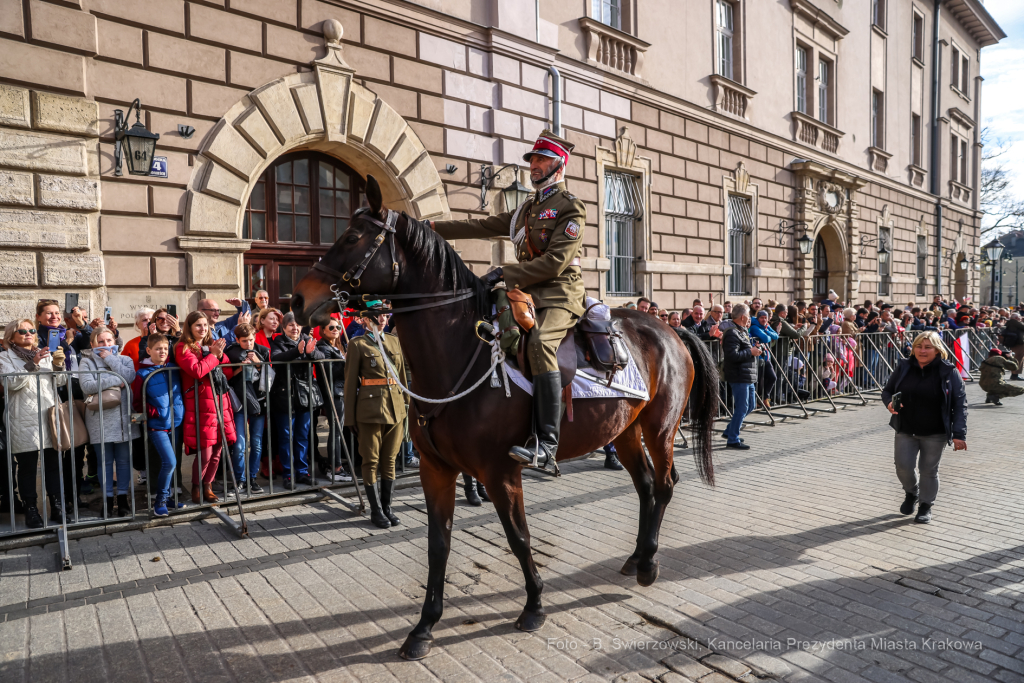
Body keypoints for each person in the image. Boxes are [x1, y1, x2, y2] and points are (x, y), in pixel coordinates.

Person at [431, 130, 583, 469]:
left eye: (542, 160)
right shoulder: (527, 209)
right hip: (525, 292)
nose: (535, 165)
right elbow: (481, 226)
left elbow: (555, 263)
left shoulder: (570, 206)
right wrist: (432, 227)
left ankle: (547, 443)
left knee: (540, 342)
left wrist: (504, 272)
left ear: (559, 166)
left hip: (559, 293)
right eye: (533, 160)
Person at [881, 331, 967, 524]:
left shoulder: (948, 371)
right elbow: (887, 391)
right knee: (903, 467)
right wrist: (889, 403)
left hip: (935, 432)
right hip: (906, 429)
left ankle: (925, 506)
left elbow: (960, 404)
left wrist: (959, 434)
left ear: (937, 350)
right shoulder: (904, 366)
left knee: (928, 470)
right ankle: (912, 492)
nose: (922, 350)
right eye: (918, 346)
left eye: (928, 347)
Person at [0, 319, 69, 528]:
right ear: (12, 337)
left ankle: (57, 506)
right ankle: (31, 509)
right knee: (28, 467)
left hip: (49, 416)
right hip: (23, 418)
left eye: (31, 330)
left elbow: (60, 382)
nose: (28, 333)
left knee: (53, 464)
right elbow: (11, 384)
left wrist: (58, 365)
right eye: (22, 331)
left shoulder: (44, 353)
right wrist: (34, 364)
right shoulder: (5, 357)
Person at [344, 306, 409, 529]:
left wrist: (406, 405)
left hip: (396, 408)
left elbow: (401, 377)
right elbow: (350, 383)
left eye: (386, 315)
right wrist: (350, 418)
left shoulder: (393, 341)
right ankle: (376, 510)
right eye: (379, 315)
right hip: (370, 410)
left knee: (390, 460)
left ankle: (387, 507)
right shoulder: (358, 344)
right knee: (371, 460)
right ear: (366, 319)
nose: (383, 319)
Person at [175, 311, 237, 504]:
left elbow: (227, 370)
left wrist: (218, 355)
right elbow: (197, 370)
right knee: (206, 450)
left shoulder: (212, 344)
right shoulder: (183, 347)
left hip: (219, 400)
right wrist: (213, 355)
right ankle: (196, 486)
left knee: (219, 448)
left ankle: (208, 485)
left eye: (205, 325)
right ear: (189, 327)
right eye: (198, 325)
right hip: (200, 403)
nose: (202, 329)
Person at [79, 326, 139, 518]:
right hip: (99, 420)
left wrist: (110, 359)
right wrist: (115, 379)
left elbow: (129, 377)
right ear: (93, 344)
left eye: (109, 341)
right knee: (104, 462)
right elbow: (87, 386)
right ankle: (106, 500)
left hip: (123, 419)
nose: (105, 345)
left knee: (123, 461)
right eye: (101, 341)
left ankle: (122, 499)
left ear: (115, 342)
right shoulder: (87, 362)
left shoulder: (124, 360)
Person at [132, 334, 186, 517]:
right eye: (157, 349)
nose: (162, 352)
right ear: (149, 351)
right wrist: (154, 413)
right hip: (157, 425)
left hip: (175, 422)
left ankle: (168, 497)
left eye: (164, 348)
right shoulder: (142, 374)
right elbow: (137, 402)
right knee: (169, 462)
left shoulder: (174, 368)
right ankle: (160, 501)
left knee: (171, 462)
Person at [270, 312, 322, 488]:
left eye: (298, 325)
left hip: (305, 395)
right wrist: (297, 351)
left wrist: (310, 352)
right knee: (286, 437)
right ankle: (288, 474)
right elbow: (276, 357)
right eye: (291, 325)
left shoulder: (307, 339)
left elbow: (321, 356)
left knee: (302, 435)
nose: (295, 328)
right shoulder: (278, 341)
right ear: (284, 327)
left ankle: (302, 472)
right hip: (285, 395)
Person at [223, 323, 271, 494]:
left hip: (258, 399)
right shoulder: (231, 352)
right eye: (244, 341)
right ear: (237, 340)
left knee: (256, 443)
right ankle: (240, 479)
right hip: (239, 401)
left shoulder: (262, 350)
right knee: (239, 444)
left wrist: (259, 364)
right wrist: (240, 367)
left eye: (251, 340)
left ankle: (252, 478)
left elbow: (270, 377)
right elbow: (226, 377)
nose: (249, 343)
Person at [315, 319, 352, 483]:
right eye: (331, 327)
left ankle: (337, 465)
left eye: (337, 327)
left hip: (340, 392)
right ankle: (335, 468)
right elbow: (330, 372)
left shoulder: (337, 346)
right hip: (333, 394)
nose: (336, 329)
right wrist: (347, 361)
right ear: (323, 330)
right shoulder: (323, 348)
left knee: (338, 431)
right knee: (336, 431)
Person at [721, 304, 761, 450]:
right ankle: (733, 439)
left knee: (750, 405)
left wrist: (754, 349)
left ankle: (729, 431)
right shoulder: (732, 333)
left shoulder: (741, 331)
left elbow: (744, 350)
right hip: (739, 375)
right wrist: (751, 352)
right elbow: (732, 355)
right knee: (742, 407)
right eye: (748, 316)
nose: (749, 318)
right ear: (743, 317)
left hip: (747, 375)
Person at [1001, 312, 1024, 380]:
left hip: (1016, 342)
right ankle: (1015, 374)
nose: (1020, 318)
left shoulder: (1011, 322)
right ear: (1016, 318)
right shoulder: (1014, 322)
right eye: (1019, 317)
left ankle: (1015, 374)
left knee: (1017, 358)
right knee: (1017, 358)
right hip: (1018, 343)